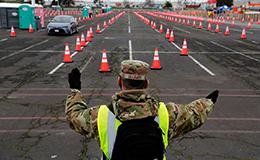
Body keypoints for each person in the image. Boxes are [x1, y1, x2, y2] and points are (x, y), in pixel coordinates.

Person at [66, 60, 219, 160]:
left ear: (120, 81)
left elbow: (74, 117)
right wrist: (208, 101)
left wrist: (75, 90)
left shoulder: (100, 116)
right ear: (146, 85)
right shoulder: (167, 113)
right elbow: (195, 115)